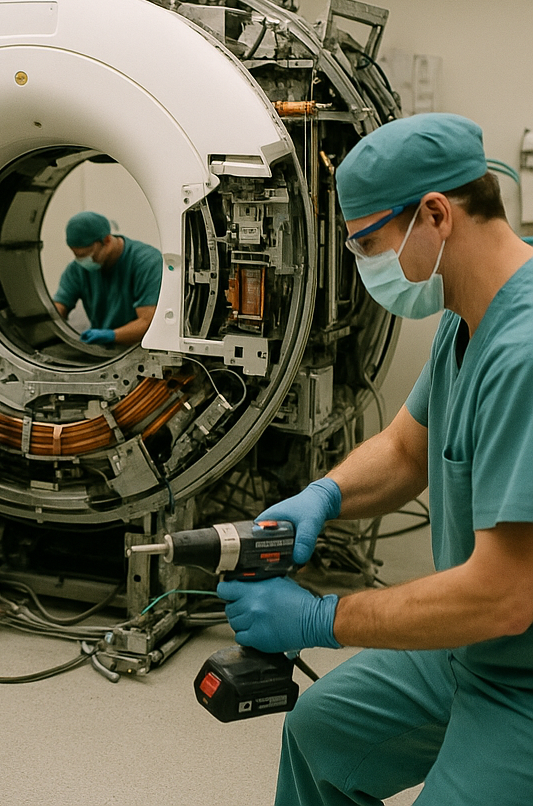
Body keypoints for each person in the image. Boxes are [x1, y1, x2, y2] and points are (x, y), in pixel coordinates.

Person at [215, 113, 533, 805]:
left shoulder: (525, 352)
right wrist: (322, 496)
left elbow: (506, 595)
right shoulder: (467, 309)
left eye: (368, 243)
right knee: (320, 733)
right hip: (469, 651)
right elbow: (404, 449)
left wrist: (319, 619)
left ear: (436, 214)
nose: (364, 266)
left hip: (521, 669)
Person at [53, 210, 163, 346]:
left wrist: (112, 335)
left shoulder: (147, 263)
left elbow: (148, 322)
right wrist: (51, 318)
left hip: (138, 349)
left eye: (87, 255)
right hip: (102, 350)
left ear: (107, 240)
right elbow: (60, 305)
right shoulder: (77, 269)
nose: (82, 261)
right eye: (77, 256)